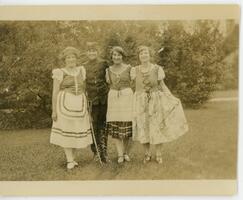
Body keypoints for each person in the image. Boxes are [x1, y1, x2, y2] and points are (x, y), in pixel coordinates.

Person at [131, 45, 188, 164]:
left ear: (149, 55)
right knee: (143, 127)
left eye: (145, 53)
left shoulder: (157, 69)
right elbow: (132, 86)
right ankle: (147, 154)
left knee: (156, 127)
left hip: (155, 101)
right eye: (141, 53)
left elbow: (162, 85)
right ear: (138, 56)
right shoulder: (134, 70)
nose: (143, 55)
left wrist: (171, 97)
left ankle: (158, 154)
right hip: (140, 102)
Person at [50, 46, 93, 170]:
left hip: (79, 103)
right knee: (67, 131)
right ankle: (69, 159)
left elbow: (85, 89)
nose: (71, 59)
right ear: (65, 59)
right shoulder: (59, 72)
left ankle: (73, 158)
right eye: (68, 57)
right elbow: (55, 92)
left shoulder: (81, 70)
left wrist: (87, 108)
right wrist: (54, 111)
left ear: (76, 58)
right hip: (64, 103)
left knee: (75, 131)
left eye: (73, 57)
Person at [105, 46, 133, 164]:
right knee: (116, 126)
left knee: (127, 126)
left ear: (122, 56)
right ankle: (120, 154)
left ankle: (126, 152)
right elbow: (107, 83)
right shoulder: (108, 70)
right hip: (114, 99)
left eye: (119, 55)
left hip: (127, 98)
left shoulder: (130, 68)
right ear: (112, 57)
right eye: (114, 55)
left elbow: (135, 83)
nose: (117, 57)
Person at [83, 42, 109, 163]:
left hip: (104, 99)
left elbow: (109, 79)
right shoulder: (83, 66)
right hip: (92, 101)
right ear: (86, 53)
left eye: (94, 50)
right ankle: (96, 152)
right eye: (89, 50)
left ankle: (104, 152)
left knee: (103, 126)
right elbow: (83, 84)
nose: (92, 53)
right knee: (93, 126)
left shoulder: (104, 63)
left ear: (97, 52)